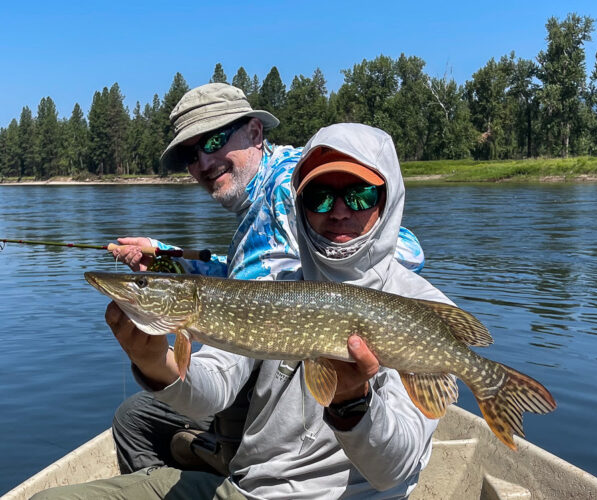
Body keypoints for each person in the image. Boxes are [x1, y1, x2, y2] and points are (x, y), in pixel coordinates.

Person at [33, 121, 457, 499]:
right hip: (247, 488)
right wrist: (155, 362)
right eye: (320, 197)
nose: (340, 210)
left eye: (360, 194)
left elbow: (393, 472)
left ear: (388, 199)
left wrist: (351, 404)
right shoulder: (268, 288)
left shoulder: (428, 309)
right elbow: (210, 392)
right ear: (301, 205)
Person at [102, 84, 427, 476]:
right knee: (136, 416)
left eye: (215, 141)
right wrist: (171, 261)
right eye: (190, 154)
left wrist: (317, 283)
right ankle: (203, 455)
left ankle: (206, 455)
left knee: (139, 417)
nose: (204, 162)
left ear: (255, 133)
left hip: (314, 378)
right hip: (264, 355)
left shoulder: (290, 188)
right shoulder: (257, 204)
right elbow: (254, 280)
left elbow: (401, 250)